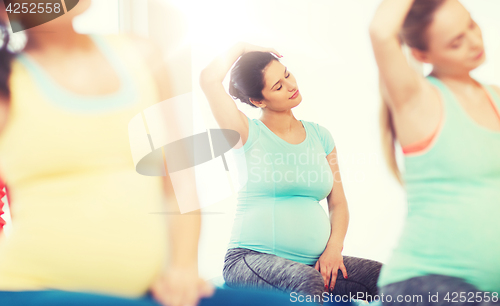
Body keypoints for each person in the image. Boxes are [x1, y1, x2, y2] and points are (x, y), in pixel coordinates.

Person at [0, 2, 317, 306]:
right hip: (32, 289)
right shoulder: (7, 85)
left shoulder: (140, 54)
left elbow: (178, 179)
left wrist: (183, 268)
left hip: (155, 292)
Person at [199, 43, 382, 303]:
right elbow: (208, 79)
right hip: (250, 259)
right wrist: (240, 47)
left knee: (388, 279)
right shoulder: (245, 132)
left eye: (286, 74)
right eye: (277, 86)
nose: (290, 85)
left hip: (314, 264)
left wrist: (333, 249)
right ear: (257, 100)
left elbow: (338, 203)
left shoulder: (321, 136)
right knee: (307, 281)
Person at [369, 0, 500, 305]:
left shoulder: (495, 97)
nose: (474, 41)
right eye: (456, 42)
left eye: (471, 24)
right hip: (424, 286)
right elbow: (380, 30)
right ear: (421, 54)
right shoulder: (418, 100)